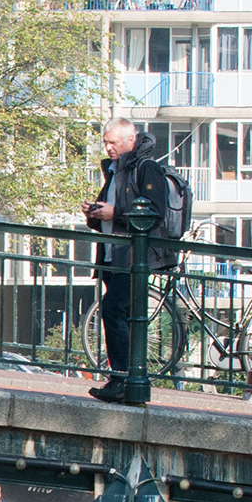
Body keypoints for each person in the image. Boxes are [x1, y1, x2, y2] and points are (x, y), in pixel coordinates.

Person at [83, 117, 173, 403]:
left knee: (113, 310)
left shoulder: (146, 168)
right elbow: (110, 213)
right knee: (124, 315)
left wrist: (115, 213)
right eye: (105, 143)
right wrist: (95, 214)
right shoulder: (113, 171)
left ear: (130, 140)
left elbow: (154, 211)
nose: (108, 147)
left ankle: (122, 379)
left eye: (113, 142)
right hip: (113, 255)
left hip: (135, 258)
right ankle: (128, 380)